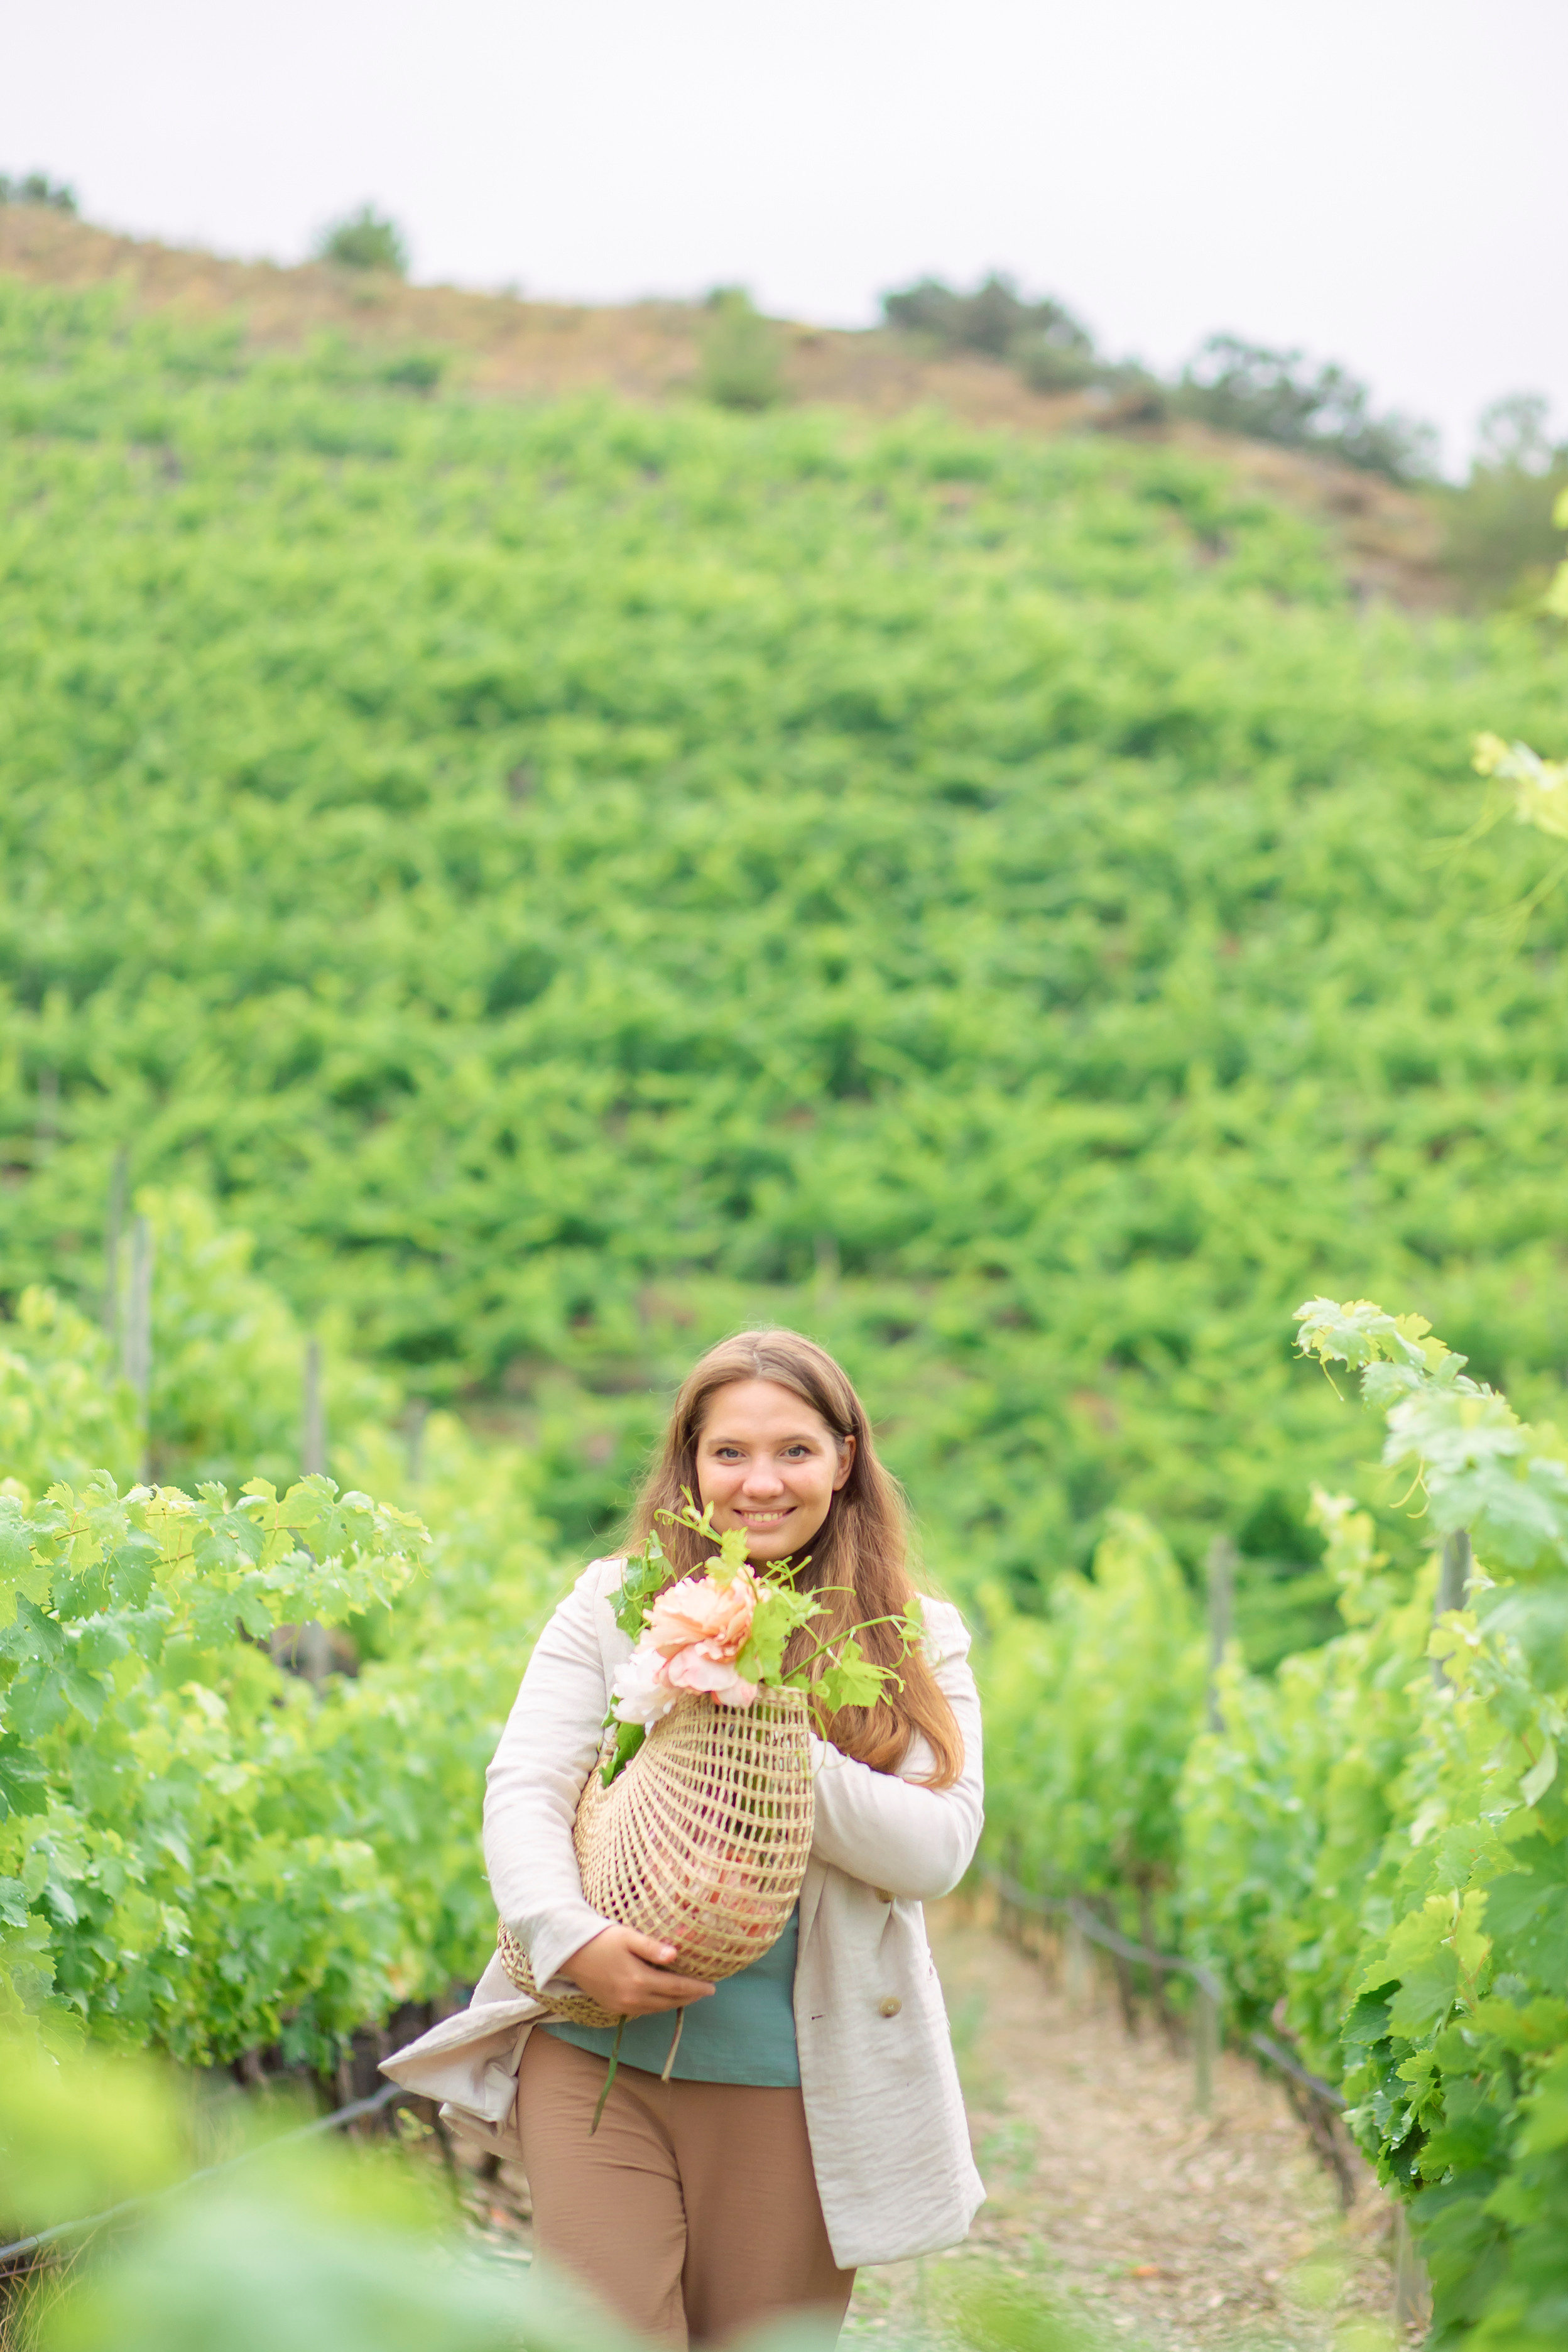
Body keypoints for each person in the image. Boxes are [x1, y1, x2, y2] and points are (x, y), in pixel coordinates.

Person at [383, 1328, 984, 2348]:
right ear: (691, 1465)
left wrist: (762, 1725)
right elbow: (526, 1786)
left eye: (795, 1450)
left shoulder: (917, 1634)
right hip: (593, 2052)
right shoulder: (614, 1603)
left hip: (798, 2086)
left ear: (845, 1461)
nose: (762, 1481)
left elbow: (936, 1849)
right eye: (730, 1452)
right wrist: (568, 1937)